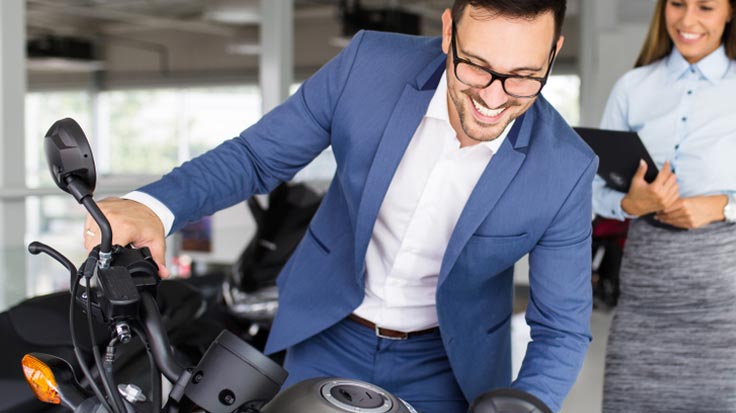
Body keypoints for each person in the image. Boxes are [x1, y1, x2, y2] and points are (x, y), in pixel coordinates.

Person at [82, 1, 597, 412]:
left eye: (524, 76)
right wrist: (155, 206)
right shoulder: (369, 66)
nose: (494, 98)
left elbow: (562, 328)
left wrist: (528, 404)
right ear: (448, 32)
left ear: (554, 51)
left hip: (447, 365)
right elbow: (256, 157)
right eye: (477, 67)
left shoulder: (565, 169)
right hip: (327, 331)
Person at [593, 0, 736, 411]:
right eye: (677, 3)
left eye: (706, 7)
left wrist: (722, 206)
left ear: (731, 13)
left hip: (719, 316)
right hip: (641, 310)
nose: (687, 19)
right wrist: (630, 203)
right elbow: (592, 189)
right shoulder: (633, 87)